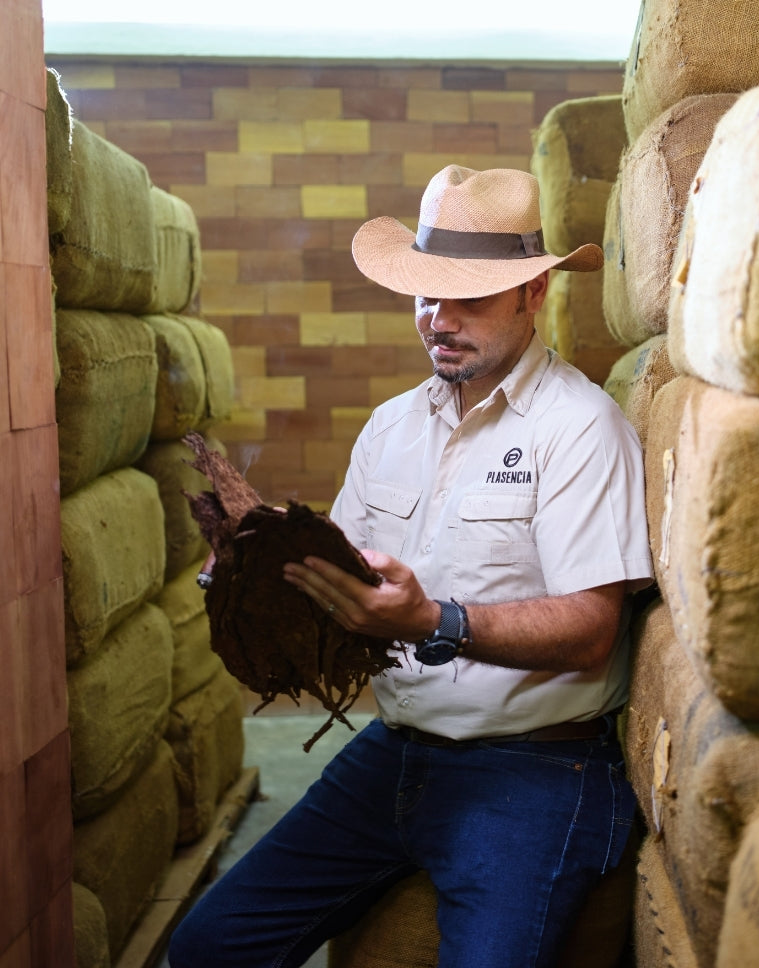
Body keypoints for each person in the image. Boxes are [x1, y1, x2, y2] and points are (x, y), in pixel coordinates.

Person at [168, 164, 654, 968]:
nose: (440, 318)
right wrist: (261, 584)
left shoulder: (581, 431)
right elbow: (354, 591)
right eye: (427, 294)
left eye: (471, 297)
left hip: (539, 766)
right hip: (395, 748)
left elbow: (593, 632)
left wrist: (437, 623)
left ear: (534, 294)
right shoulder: (391, 427)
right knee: (210, 946)